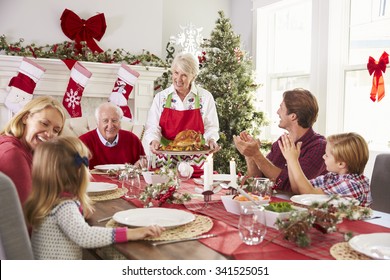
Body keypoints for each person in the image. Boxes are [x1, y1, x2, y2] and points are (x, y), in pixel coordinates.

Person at [24, 136, 164, 260]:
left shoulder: (48, 201)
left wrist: (78, 210)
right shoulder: (64, 207)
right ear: (80, 172)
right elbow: (85, 236)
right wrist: (132, 233)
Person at [234, 88, 327, 192]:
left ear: (293, 116)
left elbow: (292, 188)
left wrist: (257, 154)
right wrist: (250, 156)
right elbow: (258, 181)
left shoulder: (319, 147)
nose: (277, 112)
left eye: (281, 108)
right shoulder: (281, 142)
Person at [144, 52, 220, 174]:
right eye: (176, 73)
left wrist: (211, 140)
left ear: (193, 77)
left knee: (194, 191)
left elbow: (211, 127)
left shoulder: (205, 97)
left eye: (184, 75)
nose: (178, 79)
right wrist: (154, 140)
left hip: (196, 158)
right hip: (166, 157)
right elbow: (153, 126)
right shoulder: (161, 97)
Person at [0, 96, 65, 205]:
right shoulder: (12, 154)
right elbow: (26, 214)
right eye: (44, 123)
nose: (49, 134)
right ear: (25, 117)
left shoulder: (31, 151)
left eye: (56, 130)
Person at [278, 132, 372, 207]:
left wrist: (293, 160)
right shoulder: (332, 176)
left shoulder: (351, 184)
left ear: (341, 164)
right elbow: (298, 189)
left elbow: (309, 193)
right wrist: (290, 160)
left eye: (327, 155)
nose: (323, 157)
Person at [79, 102, 145, 169]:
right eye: (105, 121)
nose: (110, 126)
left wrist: (141, 164)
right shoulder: (82, 142)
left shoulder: (132, 139)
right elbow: (74, 173)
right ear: (97, 123)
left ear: (120, 122)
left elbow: (144, 167)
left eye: (114, 120)